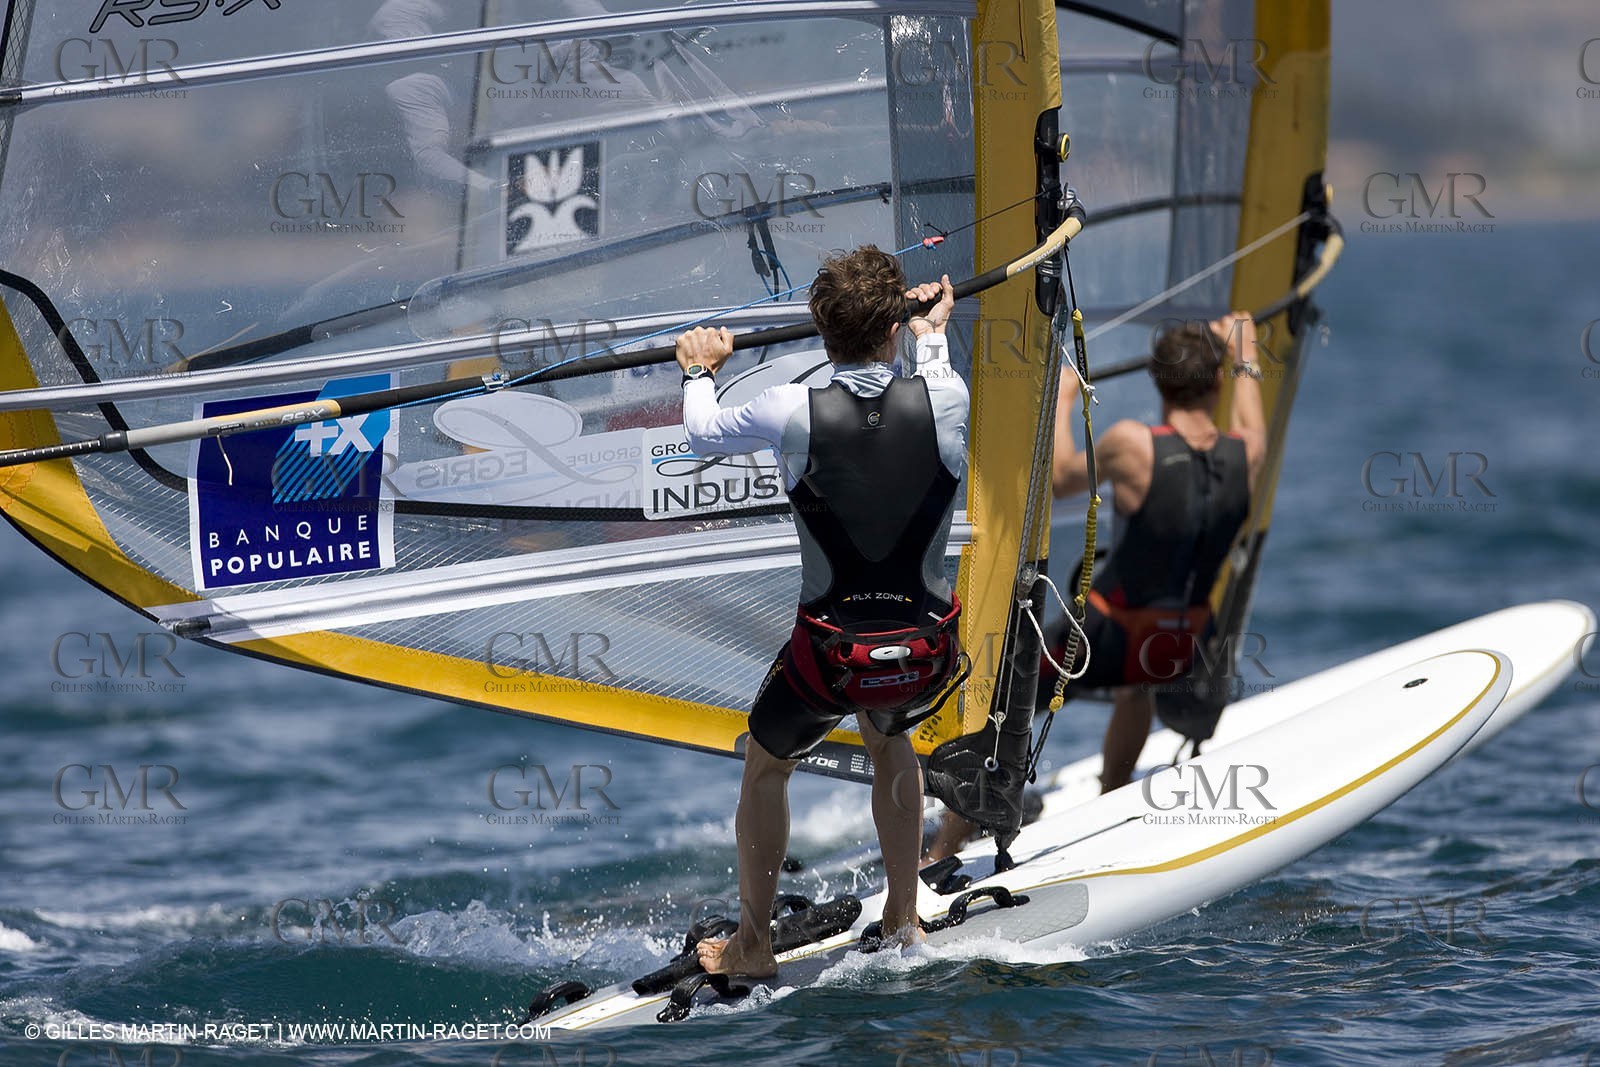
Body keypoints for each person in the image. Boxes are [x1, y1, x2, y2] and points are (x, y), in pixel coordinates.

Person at [677, 247, 968, 977]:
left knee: (767, 764)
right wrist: (930, 326)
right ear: (894, 326)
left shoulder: (789, 410)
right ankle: (905, 919)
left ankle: (753, 946)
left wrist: (697, 368)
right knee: (889, 740)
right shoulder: (947, 397)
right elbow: (933, 356)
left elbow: (702, 433)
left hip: (828, 657)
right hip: (925, 651)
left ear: (819, 328)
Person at [925, 312, 1264, 861]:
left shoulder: (1133, 445)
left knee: (1007, 712)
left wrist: (1062, 400)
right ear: (1220, 381)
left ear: (1158, 382)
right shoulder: (1244, 454)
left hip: (1104, 640)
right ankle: (1114, 793)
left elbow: (1061, 480)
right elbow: (1252, 420)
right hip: (1180, 646)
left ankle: (942, 848)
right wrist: (1244, 350)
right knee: (1138, 685)